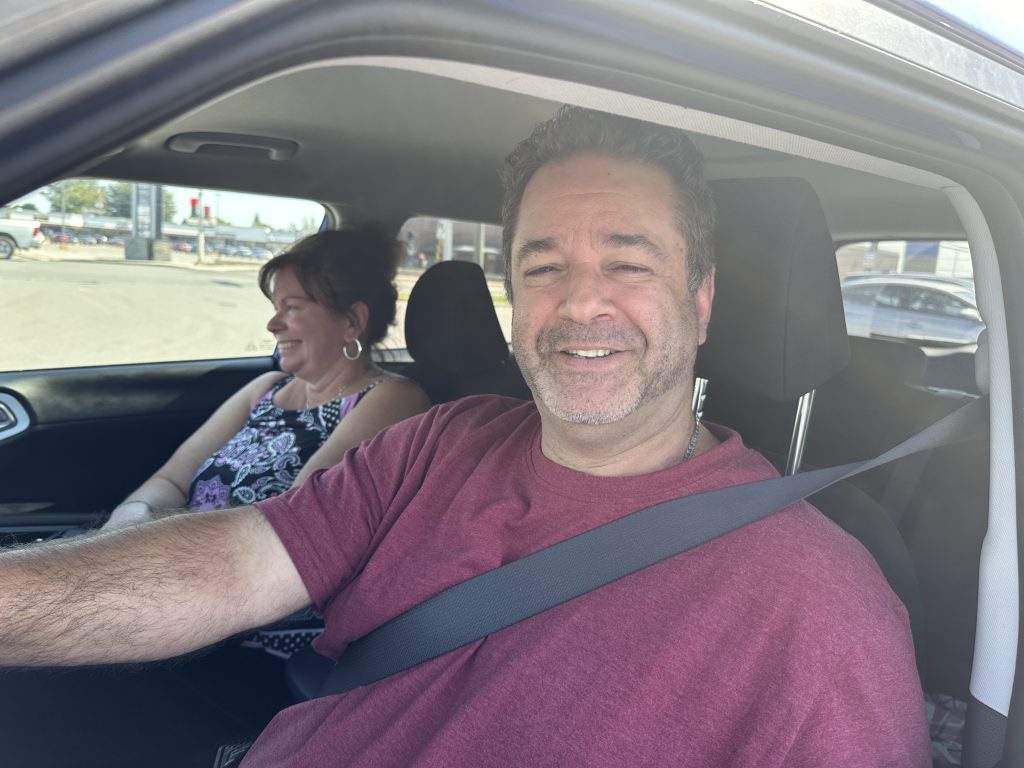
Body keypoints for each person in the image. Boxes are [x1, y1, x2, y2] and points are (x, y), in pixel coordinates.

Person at [0, 107, 929, 767]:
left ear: (701, 299)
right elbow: (238, 562)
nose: (580, 302)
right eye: (544, 264)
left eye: (627, 262)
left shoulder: (820, 611)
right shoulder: (440, 441)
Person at [103, 225, 432, 529]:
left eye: (292, 307)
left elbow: (288, 524)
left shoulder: (392, 398)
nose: (272, 324)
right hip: (172, 556)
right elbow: (171, 481)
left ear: (352, 322)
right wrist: (132, 517)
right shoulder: (265, 389)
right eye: (276, 307)